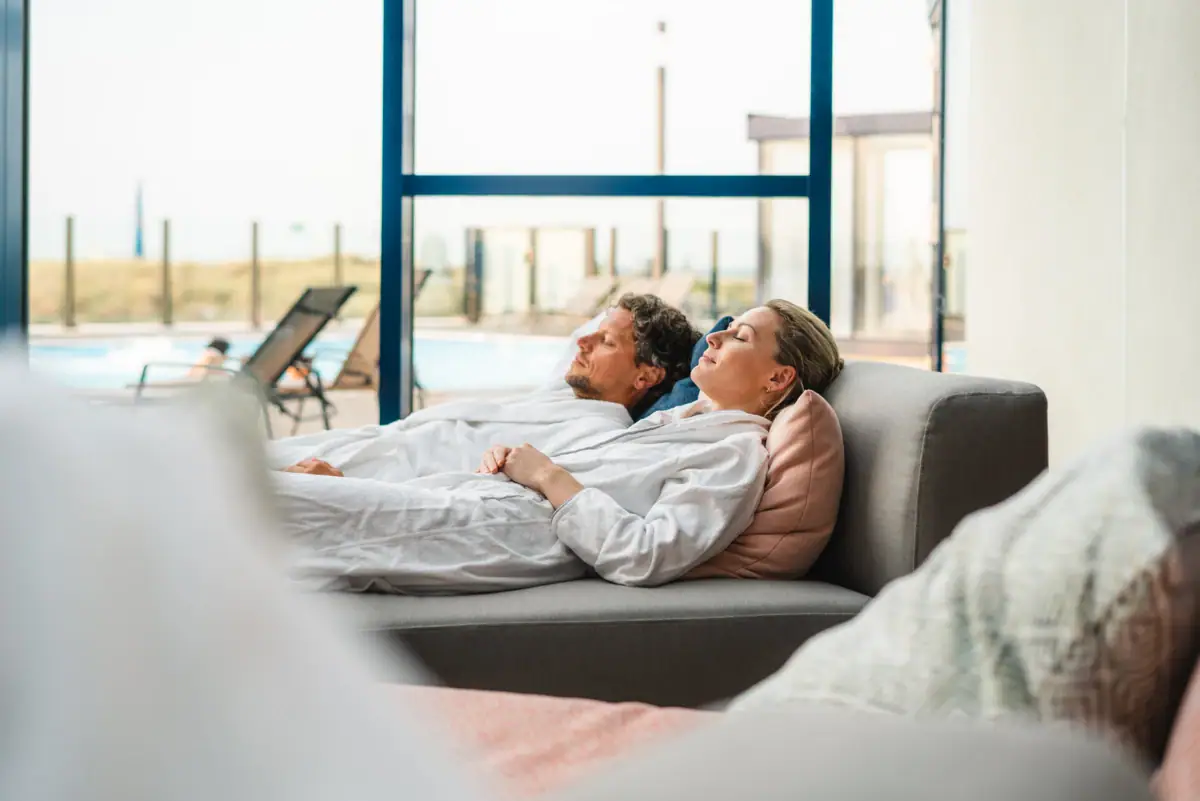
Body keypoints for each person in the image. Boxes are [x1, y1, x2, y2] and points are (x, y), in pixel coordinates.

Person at [272, 299, 844, 594]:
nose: (714, 336)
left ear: (778, 380)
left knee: (242, 503)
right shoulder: (682, 424)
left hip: (491, 536)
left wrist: (547, 476)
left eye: (740, 336)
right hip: (469, 509)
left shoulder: (733, 454)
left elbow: (647, 555)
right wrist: (513, 468)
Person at [271, 293, 698, 480]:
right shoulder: (560, 396)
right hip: (365, 445)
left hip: (361, 479)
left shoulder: (594, 440)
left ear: (646, 376)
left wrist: (344, 487)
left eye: (605, 341)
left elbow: (469, 499)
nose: (582, 341)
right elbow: (580, 335)